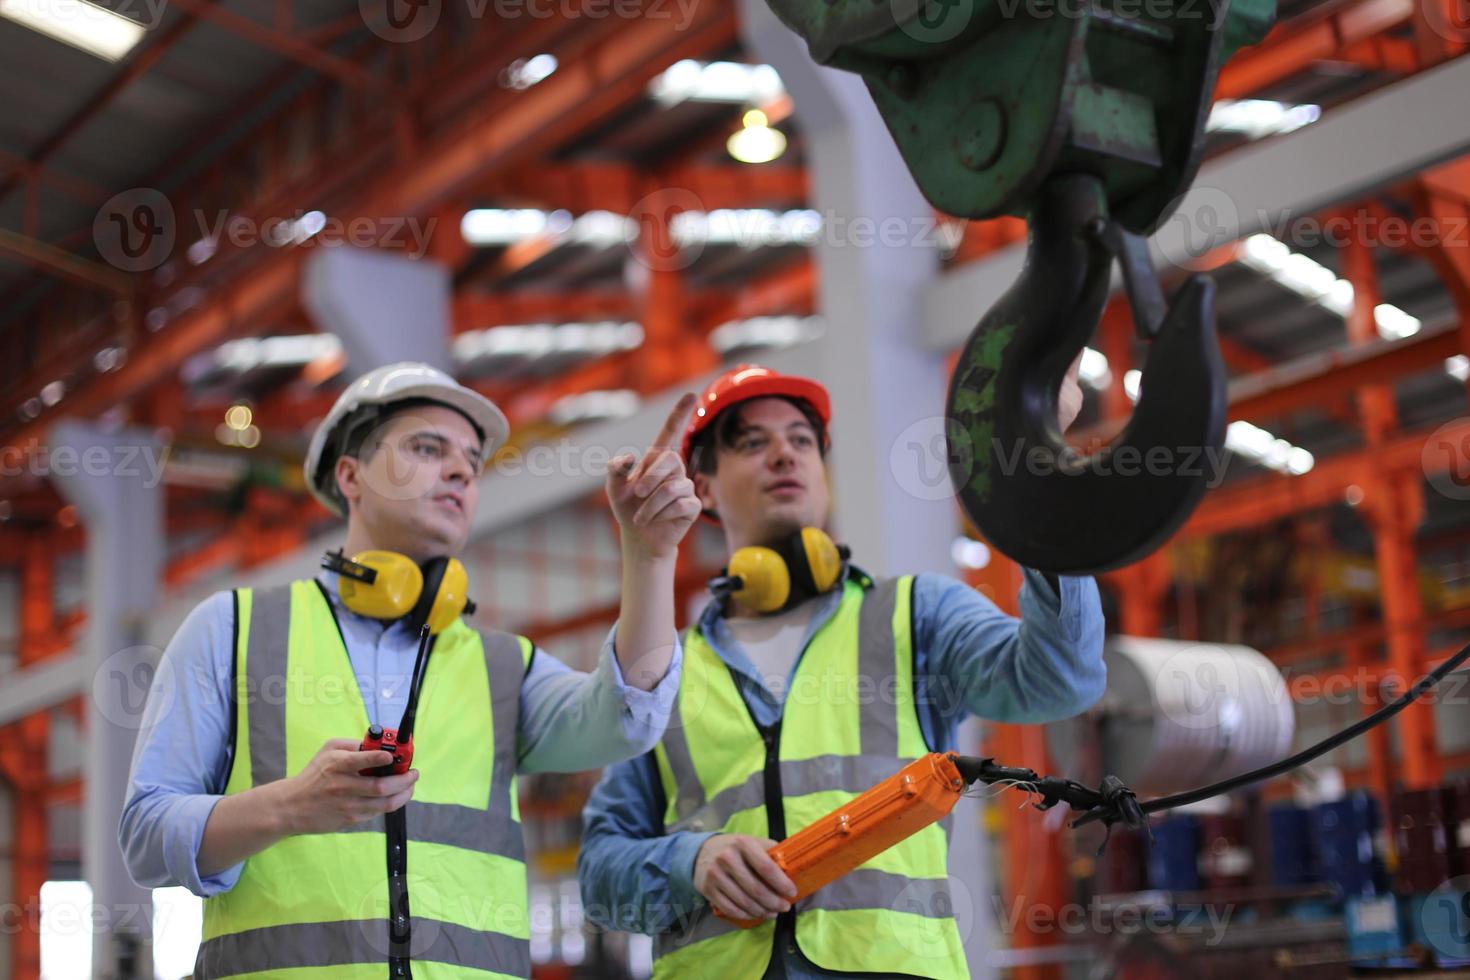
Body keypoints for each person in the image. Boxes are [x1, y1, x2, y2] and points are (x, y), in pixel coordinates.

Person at [120, 362, 702, 979]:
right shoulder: (231, 630)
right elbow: (146, 836)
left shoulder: (504, 667)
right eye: (427, 448)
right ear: (350, 475)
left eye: (471, 463)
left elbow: (627, 718)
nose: (458, 470)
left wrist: (648, 557)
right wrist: (290, 806)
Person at [577, 362, 1106, 979]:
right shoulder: (662, 670)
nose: (784, 454)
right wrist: (688, 862)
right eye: (753, 442)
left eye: (802, 440)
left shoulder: (913, 614)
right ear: (706, 487)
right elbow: (599, 878)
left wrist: (1039, 476)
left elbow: (1060, 677)